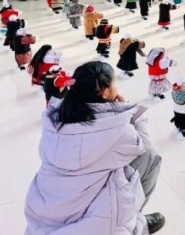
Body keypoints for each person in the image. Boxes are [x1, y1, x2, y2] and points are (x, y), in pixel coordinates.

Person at [24, 61, 165, 234]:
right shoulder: (114, 126)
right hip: (88, 216)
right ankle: (134, 221)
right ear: (104, 92)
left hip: (45, 206)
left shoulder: (56, 114)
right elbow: (143, 142)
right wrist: (130, 114)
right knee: (151, 157)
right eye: (114, 82)